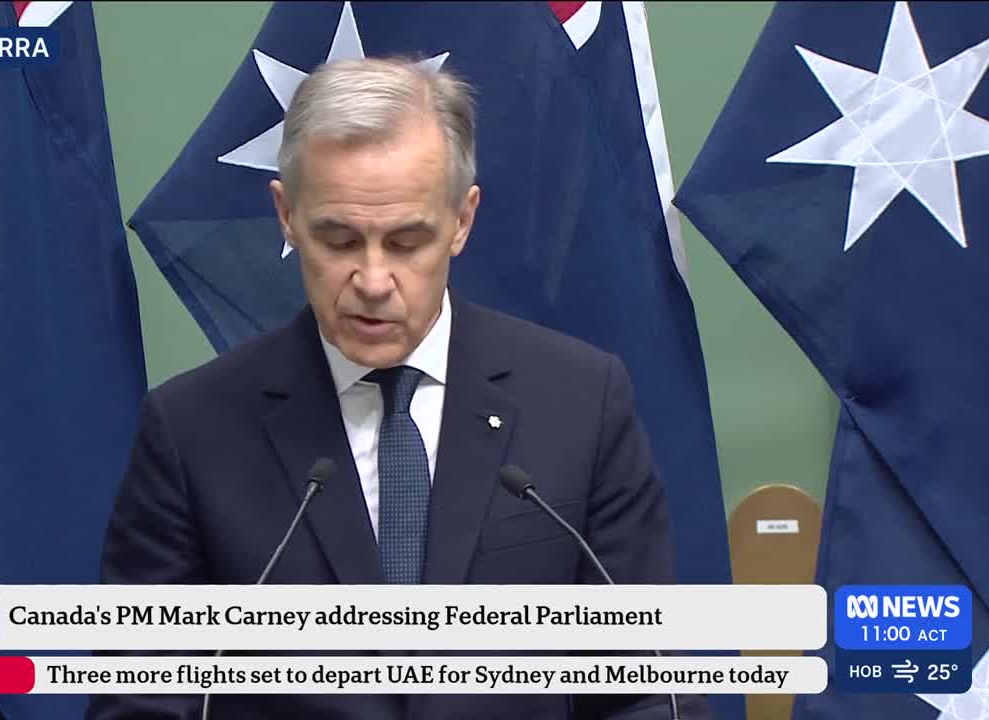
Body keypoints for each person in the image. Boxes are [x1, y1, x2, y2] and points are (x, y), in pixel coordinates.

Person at [88, 57, 707, 720]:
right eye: (340, 239)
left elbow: (646, 692)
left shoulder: (581, 404)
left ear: (462, 221)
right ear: (287, 216)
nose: (374, 280)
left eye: (407, 241)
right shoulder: (192, 432)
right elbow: (140, 700)